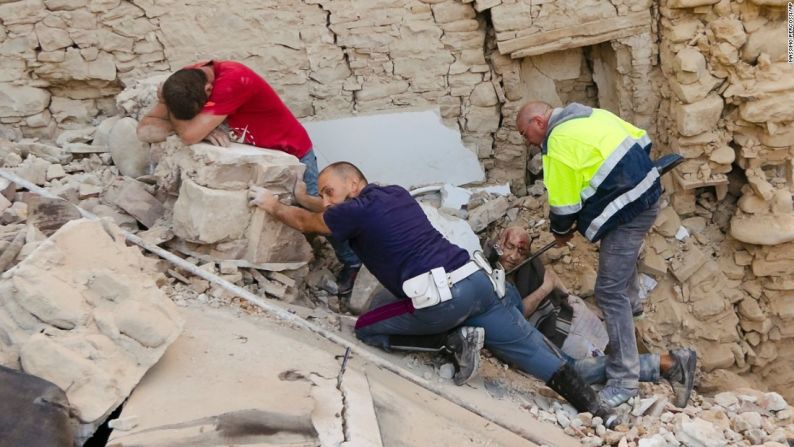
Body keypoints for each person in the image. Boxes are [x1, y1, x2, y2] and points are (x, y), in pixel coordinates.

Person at [248, 161, 618, 426]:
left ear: (354, 184)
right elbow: (329, 211)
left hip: (444, 299)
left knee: (367, 326)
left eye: (330, 191)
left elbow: (307, 221)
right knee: (535, 354)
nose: (326, 200)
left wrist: (274, 204)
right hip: (479, 282)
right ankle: (600, 410)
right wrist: (306, 195)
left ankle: (452, 340)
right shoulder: (391, 193)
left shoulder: (353, 212)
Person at [137, 60, 361, 293]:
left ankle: (353, 262)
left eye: (201, 113)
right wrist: (189, 120)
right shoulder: (183, 83)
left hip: (292, 154)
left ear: (208, 91)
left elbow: (190, 134)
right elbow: (145, 130)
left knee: (323, 213)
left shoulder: (234, 80)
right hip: (256, 157)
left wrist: (185, 122)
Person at [516, 100, 672, 407]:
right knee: (619, 270)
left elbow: (563, 207)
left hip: (628, 212)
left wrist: (561, 232)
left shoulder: (557, 143)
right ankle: (632, 308)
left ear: (537, 122)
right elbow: (643, 140)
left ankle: (624, 379)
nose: (528, 142)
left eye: (525, 134)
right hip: (648, 194)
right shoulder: (588, 114)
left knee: (608, 291)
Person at [488, 226, 697, 407]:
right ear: (499, 243)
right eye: (509, 247)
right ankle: (664, 364)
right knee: (589, 365)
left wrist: (551, 289)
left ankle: (667, 363)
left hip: (557, 329)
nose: (514, 256)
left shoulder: (528, 268)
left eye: (521, 251)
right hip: (554, 325)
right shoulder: (492, 271)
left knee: (574, 371)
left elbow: (518, 312)